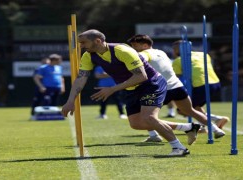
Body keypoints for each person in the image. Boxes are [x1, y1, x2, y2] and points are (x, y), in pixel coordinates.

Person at [62, 29, 200, 156]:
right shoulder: (88, 56)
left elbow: (141, 76)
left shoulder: (122, 50)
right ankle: (188, 127)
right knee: (137, 124)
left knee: (149, 118)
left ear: (97, 41)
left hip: (151, 84)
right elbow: (80, 78)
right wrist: (70, 101)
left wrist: (112, 89)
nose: (80, 46)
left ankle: (179, 148)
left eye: (83, 42)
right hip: (130, 88)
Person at [127, 34, 225, 142]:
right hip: (177, 86)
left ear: (145, 45)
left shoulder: (143, 54)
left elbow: (138, 61)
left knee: (145, 115)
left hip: (161, 88)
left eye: (135, 45)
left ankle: (155, 136)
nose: (133, 49)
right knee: (191, 111)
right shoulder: (161, 52)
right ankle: (215, 129)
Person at [172, 40, 230, 132]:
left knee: (185, 109)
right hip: (215, 82)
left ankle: (216, 120)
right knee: (196, 106)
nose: (173, 51)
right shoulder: (203, 55)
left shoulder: (178, 60)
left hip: (201, 85)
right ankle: (204, 126)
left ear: (176, 50)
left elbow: (177, 78)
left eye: (174, 49)